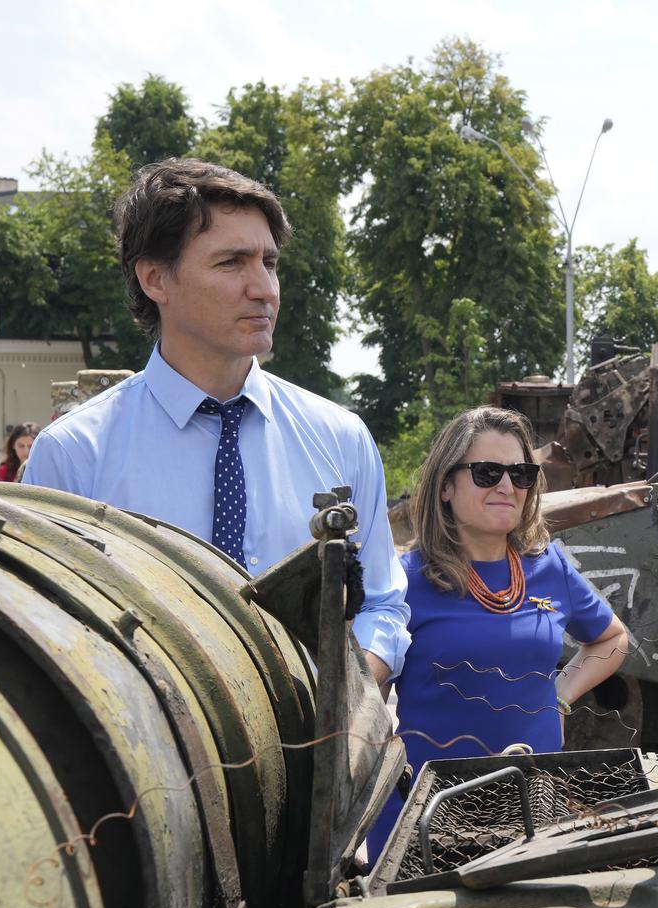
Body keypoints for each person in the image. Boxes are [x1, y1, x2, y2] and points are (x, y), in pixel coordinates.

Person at [23, 158, 408, 687]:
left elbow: (383, 605)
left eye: (269, 263)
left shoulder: (340, 438)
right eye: (232, 263)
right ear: (155, 277)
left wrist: (338, 699)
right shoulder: (73, 454)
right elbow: (48, 634)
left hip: (320, 756)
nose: (265, 289)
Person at [366, 406, 630, 857]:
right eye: (488, 472)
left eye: (521, 473)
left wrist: (561, 695)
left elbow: (611, 639)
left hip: (532, 809)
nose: (507, 486)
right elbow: (364, 698)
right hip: (424, 817)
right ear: (446, 485)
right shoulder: (403, 580)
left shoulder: (550, 567)